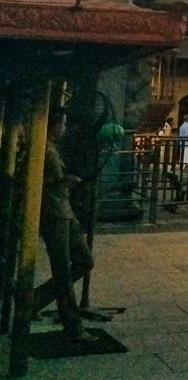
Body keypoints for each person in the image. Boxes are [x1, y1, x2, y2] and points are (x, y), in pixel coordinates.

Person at [35, 108, 96, 343]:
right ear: (54, 125)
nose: (64, 128)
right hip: (53, 213)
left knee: (84, 260)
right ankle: (72, 324)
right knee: (62, 269)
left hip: (64, 211)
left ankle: (36, 299)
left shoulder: (52, 148)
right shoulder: (46, 150)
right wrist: (63, 181)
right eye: (62, 123)